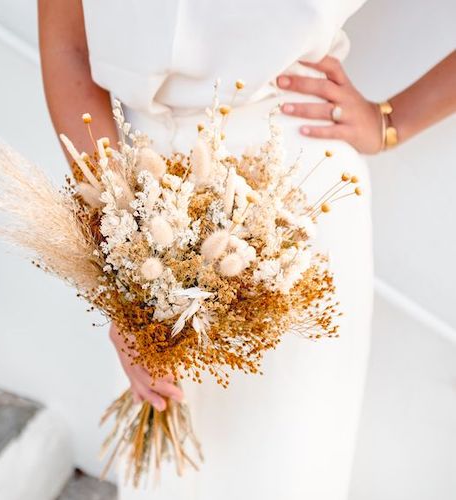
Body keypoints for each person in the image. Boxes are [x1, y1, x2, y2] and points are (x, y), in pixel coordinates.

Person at [38, 1, 456, 498]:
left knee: (285, 467)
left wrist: (393, 121)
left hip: (298, 202)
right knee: (168, 465)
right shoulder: (128, 213)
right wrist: (122, 264)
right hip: (137, 183)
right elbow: (70, 47)